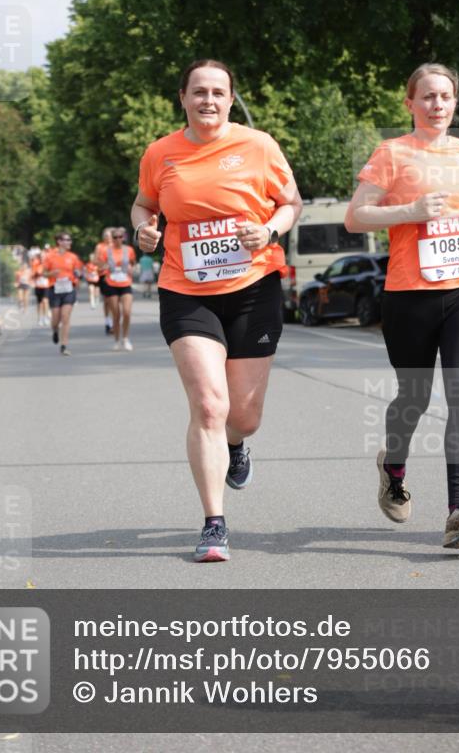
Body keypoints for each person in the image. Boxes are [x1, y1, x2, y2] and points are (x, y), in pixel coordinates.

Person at [131, 59, 302, 562]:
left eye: (218, 92)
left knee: (242, 416)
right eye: (198, 91)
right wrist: (144, 229)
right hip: (186, 288)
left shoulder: (259, 145)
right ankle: (213, 523)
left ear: (230, 99)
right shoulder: (161, 153)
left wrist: (270, 229)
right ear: (182, 97)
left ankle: (237, 446)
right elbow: (144, 205)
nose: (208, 100)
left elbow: (291, 202)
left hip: (253, 287)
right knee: (208, 404)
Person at [345, 63, 459, 551]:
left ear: (456, 103)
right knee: (413, 396)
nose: (437, 105)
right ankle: (393, 468)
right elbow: (355, 216)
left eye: (446, 96)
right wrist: (408, 212)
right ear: (409, 103)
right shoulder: (392, 154)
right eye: (428, 97)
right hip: (411, 292)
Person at [42, 232, 83, 356]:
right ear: (59, 242)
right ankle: (55, 330)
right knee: (55, 319)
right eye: (67, 240)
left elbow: (78, 271)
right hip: (55, 289)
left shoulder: (73, 257)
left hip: (69, 289)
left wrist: (78, 274)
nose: (70, 242)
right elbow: (43, 272)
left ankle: (64, 345)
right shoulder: (50, 256)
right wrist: (51, 274)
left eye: (70, 240)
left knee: (65, 316)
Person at [104, 228, 136, 350]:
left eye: (120, 236)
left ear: (124, 238)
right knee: (116, 314)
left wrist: (131, 268)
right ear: (112, 239)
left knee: (127, 312)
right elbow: (98, 263)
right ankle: (117, 340)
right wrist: (104, 267)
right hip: (111, 283)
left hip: (125, 283)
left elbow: (133, 262)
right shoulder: (107, 251)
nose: (118, 239)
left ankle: (126, 338)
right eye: (115, 237)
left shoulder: (129, 250)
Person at [94, 228, 114, 334]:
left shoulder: (116, 246)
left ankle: (114, 322)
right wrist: (104, 265)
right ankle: (108, 322)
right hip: (104, 275)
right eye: (106, 235)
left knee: (115, 300)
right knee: (107, 300)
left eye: (109, 235)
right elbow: (95, 261)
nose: (107, 237)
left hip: (116, 276)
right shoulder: (100, 246)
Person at [30, 250, 51, 326]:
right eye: (41, 256)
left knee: (45, 301)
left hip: (46, 285)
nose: (42, 258)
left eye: (44, 256)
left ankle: (46, 317)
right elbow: (32, 275)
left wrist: (46, 274)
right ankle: (40, 318)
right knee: (39, 303)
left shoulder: (48, 264)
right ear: (39, 257)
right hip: (38, 285)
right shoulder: (35, 264)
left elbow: (51, 274)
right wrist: (36, 274)